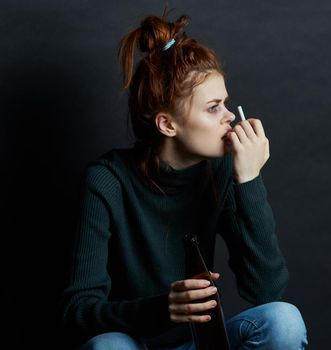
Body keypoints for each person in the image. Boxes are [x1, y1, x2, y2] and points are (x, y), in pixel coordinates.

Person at [59, 9, 308, 350]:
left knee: (284, 320)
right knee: (108, 347)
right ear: (167, 125)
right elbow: (78, 311)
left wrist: (248, 180)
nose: (229, 119)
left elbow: (265, 291)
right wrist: (162, 308)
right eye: (213, 107)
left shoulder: (222, 171)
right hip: (136, 344)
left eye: (226, 104)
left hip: (200, 344)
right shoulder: (107, 181)